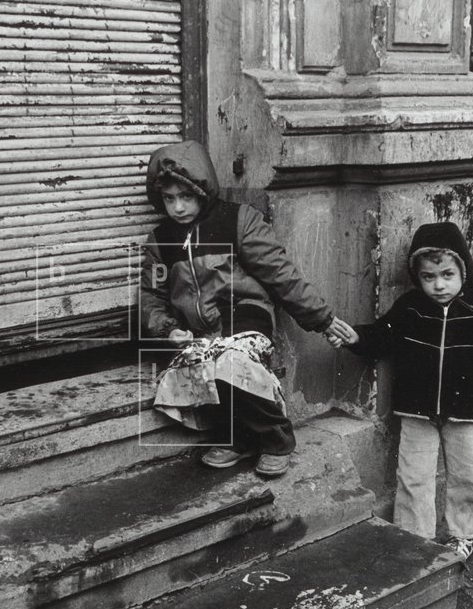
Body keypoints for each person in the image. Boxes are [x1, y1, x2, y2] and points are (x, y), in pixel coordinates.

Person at [325, 222, 473, 560]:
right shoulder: (411, 307)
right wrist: (354, 338)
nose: (439, 285)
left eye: (447, 274)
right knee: (413, 477)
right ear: (417, 276)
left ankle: (463, 534)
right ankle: (413, 536)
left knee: (465, 476)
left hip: (466, 412)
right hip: (416, 409)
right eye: (429, 277)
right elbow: (381, 335)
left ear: (463, 269)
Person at [140, 140, 339, 477]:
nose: (177, 207)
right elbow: (151, 296)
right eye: (169, 199)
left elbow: (280, 274)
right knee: (194, 366)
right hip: (200, 328)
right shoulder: (160, 241)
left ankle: (277, 440)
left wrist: (322, 318)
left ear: (203, 191)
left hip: (244, 315)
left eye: (186, 196)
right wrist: (165, 327)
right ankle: (238, 439)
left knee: (232, 361)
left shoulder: (238, 220)